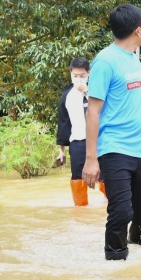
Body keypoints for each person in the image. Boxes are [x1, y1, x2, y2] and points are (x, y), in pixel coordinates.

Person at [82, 4, 141, 261]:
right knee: (121, 212)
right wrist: (91, 159)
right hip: (114, 149)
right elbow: (93, 112)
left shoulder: (134, 59)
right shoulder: (104, 62)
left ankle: (138, 265)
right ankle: (115, 261)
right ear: (137, 30)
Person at [56, 57, 106, 206]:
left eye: (82, 75)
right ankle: (80, 210)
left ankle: (109, 204)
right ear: (70, 73)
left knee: (104, 176)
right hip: (77, 141)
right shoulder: (67, 95)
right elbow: (63, 123)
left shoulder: (96, 90)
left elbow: (104, 109)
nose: (78, 79)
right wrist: (61, 151)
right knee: (77, 178)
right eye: (75, 75)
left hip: (100, 140)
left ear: (88, 74)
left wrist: (86, 91)